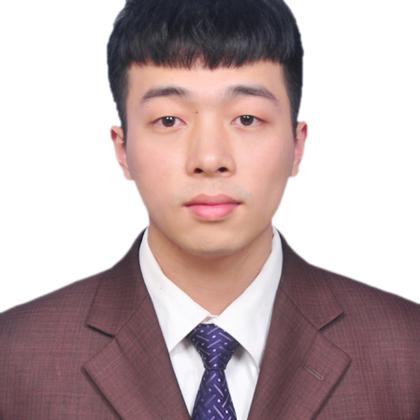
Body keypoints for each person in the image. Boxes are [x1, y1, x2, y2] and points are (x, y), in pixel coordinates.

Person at [1, 0, 419, 418]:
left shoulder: (406, 351)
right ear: (123, 149)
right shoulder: (15, 358)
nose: (210, 158)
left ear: (297, 145)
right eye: (169, 120)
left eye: (247, 119)